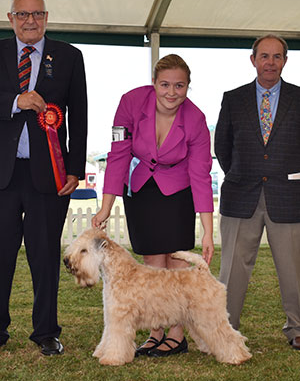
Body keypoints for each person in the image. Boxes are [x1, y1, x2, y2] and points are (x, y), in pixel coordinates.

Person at [92, 54, 214, 357]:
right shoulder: (130, 103)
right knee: (151, 265)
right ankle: (155, 332)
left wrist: (209, 232)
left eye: (179, 86)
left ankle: (176, 333)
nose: (171, 92)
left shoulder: (196, 119)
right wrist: (106, 207)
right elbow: (118, 154)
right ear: (154, 83)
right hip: (140, 190)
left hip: (177, 192)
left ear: (188, 87)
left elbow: (201, 175)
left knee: (175, 264)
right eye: (165, 85)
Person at [0, 0, 87, 355]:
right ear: (11, 17)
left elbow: (79, 114)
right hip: (2, 177)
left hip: (49, 176)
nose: (30, 20)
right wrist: (14, 101)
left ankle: (46, 332)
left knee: (46, 256)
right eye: (22, 14)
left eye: (36, 14)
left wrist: (76, 168)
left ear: (47, 17)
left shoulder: (69, 56)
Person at [215, 34, 300, 350]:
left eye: (277, 56)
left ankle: (297, 328)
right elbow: (222, 146)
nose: (270, 62)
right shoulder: (233, 99)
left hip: (289, 197)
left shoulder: (298, 98)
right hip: (241, 195)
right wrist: (240, 174)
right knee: (232, 269)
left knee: (294, 270)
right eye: (264, 56)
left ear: (285, 61)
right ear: (253, 60)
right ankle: (224, 330)